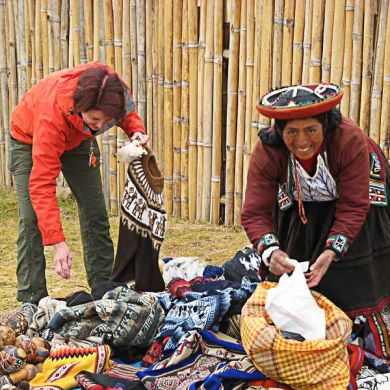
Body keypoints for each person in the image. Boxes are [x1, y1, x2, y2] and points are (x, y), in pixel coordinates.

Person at [241, 83, 390, 318]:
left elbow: (353, 205)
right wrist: (272, 252)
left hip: (358, 193)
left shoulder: (349, 140)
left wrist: (330, 252)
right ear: (280, 132)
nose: (302, 141)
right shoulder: (269, 151)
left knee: (354, 255)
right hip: (301, 198)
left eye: (311, 130)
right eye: (292, 132)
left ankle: (359, 316)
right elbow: (255, 212)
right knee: (292, 256)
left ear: (325, 126)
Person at [9, 62, 149, 304]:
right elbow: (42, 185)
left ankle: (105, 290)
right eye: (95, 119)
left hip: (78, 140)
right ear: (80, 105)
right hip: (29, 139)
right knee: (32, 218)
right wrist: (58, 242)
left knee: (95, 210)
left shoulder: (113, 89)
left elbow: (127, 113)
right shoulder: (51, 115)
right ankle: (32, 300)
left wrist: (136, 132)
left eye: (106, 121)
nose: (100, 126)